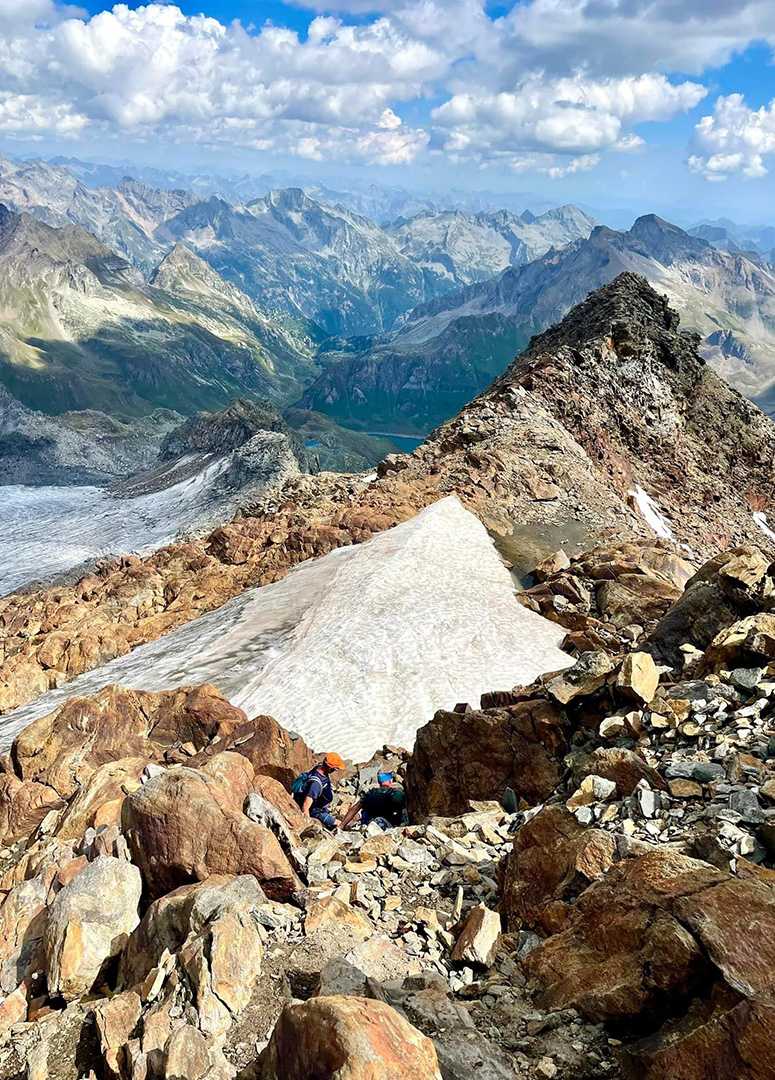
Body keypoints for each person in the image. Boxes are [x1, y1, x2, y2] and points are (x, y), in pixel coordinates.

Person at [293, 753, 345, 830]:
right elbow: (305, 807)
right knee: (340, 824)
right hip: (316, 810)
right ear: (330, 768)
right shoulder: (315, 785)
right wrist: (308, 825)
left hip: (321, 804)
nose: (335, 771)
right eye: (335, 769)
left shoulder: (319, 766)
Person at [339, 771, 406, 831]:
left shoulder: (370, 793)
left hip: (369, 824)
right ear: (390, 781)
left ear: (379, 782)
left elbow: (356, 807)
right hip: (388, 827)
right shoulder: (398, 794)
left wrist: (342, 825)